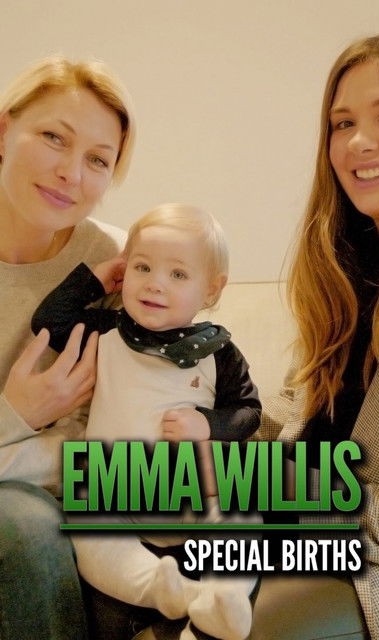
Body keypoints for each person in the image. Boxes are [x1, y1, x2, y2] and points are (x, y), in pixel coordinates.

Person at [32, 203, 262, 640]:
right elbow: (49, 322)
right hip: (112, 496)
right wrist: (96, 279)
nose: (155, 283)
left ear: (211, 290)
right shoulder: (106, 333)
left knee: (242, 517)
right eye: (142, 267)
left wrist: (208, 424)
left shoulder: (219, 353)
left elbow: (249, 412)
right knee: (89, 533)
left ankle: (224, 596)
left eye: (178, 274)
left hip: (195, 493)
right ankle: (167, 590)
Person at [267, 30, 379, 640]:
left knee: (278, 616)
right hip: (291, 536)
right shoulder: (339, 280)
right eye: (342, 123)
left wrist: (312, 495)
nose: (359, 141)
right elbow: (294, 422)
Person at [0, 54, 136, 639]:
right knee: (22, 523)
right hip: (29, 515)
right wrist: (18, 413)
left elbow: (119, 447)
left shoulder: (120, 264)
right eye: (54, 138)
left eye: (98, 160)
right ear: (4, 131)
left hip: (88, 494)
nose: (71, 174)